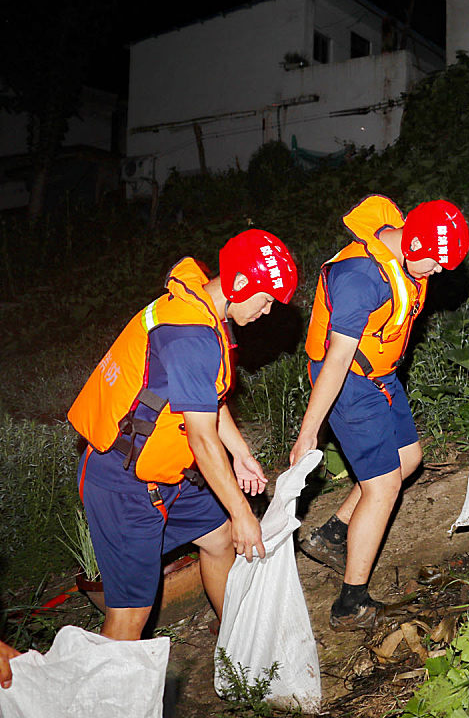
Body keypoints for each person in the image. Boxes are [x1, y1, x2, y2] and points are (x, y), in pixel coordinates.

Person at [68, 230, 298, 641]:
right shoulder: (190, 334)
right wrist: (244, 512)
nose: (266, 313)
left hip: (168, 475)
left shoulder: (203, 308)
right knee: (131, 615)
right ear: (240, 284)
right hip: (123, 482)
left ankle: (240, 644)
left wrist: (241, 451)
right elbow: (201, 438)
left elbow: (206, 397)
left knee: (219, 537)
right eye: (265, 301)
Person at [292, 194, 469, 630]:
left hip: (380, 375)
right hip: (348, 380)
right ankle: (350, 603)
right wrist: (308, 431)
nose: (437, 274)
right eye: (433, 264)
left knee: (408, 460)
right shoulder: (359, 278)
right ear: (411, 245)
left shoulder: (409, 252)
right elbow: (335, 361)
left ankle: (332, 534)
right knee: (384, 485)